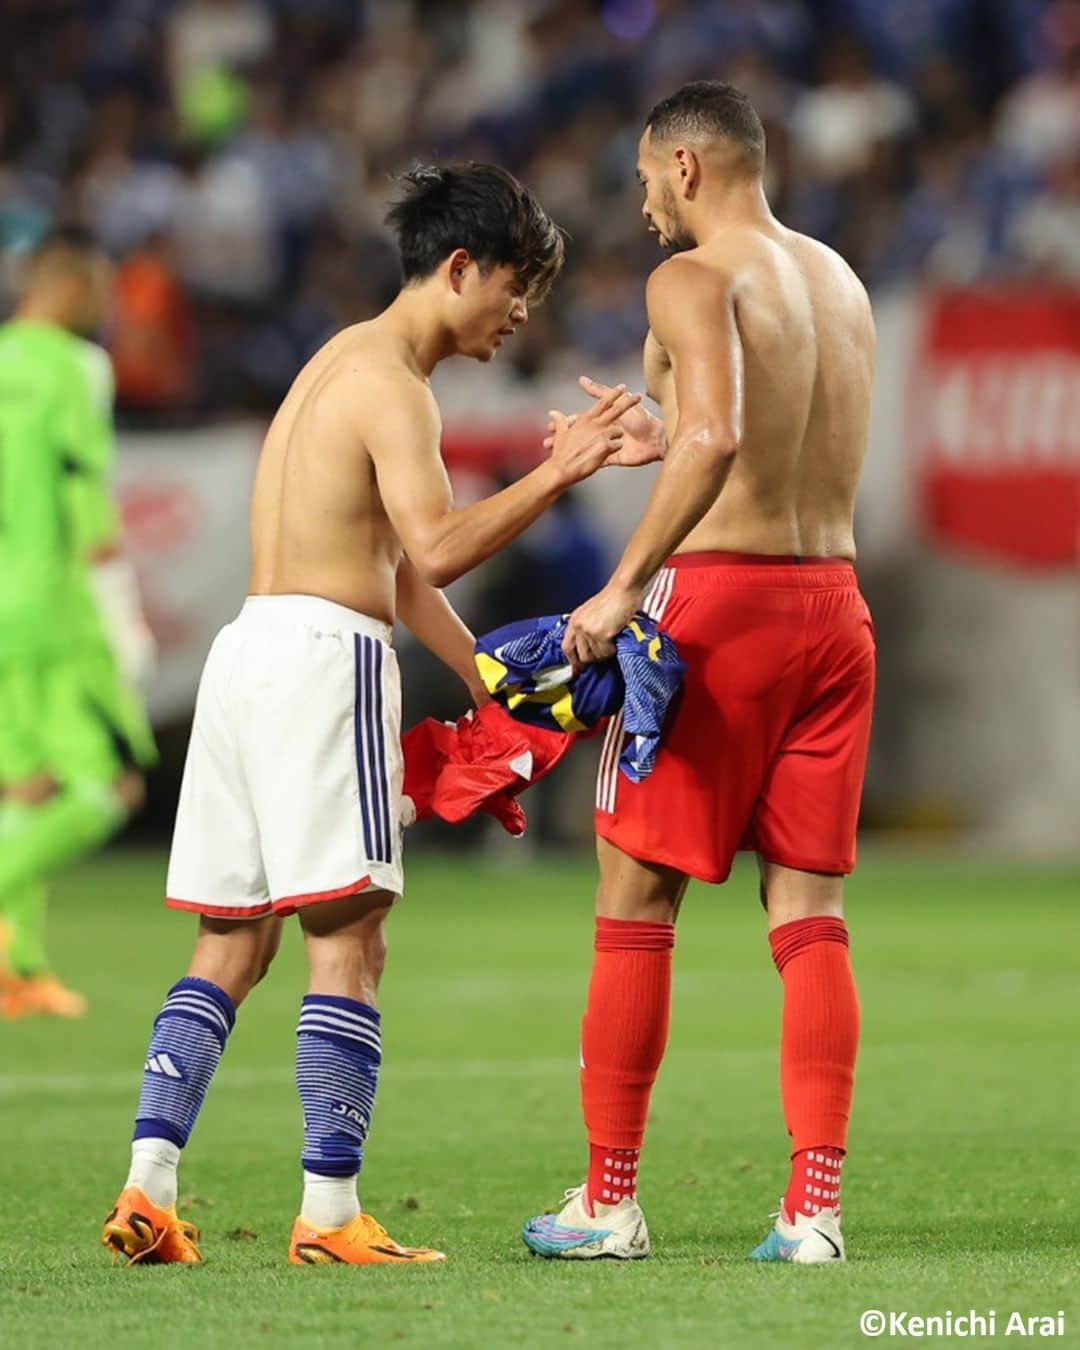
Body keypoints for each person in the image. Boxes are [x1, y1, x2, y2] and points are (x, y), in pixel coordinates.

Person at [100, 162, 640, 1268]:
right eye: (516, 284)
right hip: (320, 664)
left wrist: (480, 669)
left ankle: (148, 1191)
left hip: (247, 656)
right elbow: (436, 546)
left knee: (230, 946)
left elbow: (395, 566)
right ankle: (332, 1215)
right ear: (458, 268)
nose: (523, 311)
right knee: (352, 943)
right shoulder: (399, 388)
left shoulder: (331, 365)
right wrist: (561, 469)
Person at [522, 82, 876, 1265]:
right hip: (834, 610)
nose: (641, 202)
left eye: (640, 176)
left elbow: (722, 437)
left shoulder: (690, 278)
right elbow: (752, 434)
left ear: (684, 167)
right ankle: (813, 1213)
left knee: (634, 908)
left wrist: (623, 581)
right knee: (811, 918)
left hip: (719, 613)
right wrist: (654, 440)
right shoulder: (838, 281)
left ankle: (608, 1204)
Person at [0, 227, 157, 1019]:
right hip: (57, 615)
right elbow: (84, 499)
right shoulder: (75, 367)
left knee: (24, 792)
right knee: (108, 785)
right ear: (66, 286)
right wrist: (122, 617)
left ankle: (15, 969)